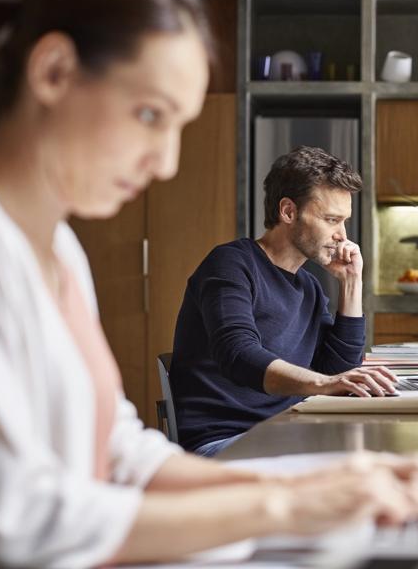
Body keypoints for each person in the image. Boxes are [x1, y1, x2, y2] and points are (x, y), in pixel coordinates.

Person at [0, 0, 418, 567]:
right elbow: (13, 523)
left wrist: (310, 486)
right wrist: (281, 507)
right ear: (55, 71)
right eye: (149, 115)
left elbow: (119, 451)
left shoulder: (58, 250)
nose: (165, 162)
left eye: (179, 127)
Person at [170, 146, 396, 456]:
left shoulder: (310, 288)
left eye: (344, 222)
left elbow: (338, 373)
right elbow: (237, 353)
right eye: (331, 219)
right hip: (223, 442)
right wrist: (323, 384)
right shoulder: (230, 264)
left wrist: (351, 283)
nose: (342, 236)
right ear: (288, 212)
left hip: (289, 434)